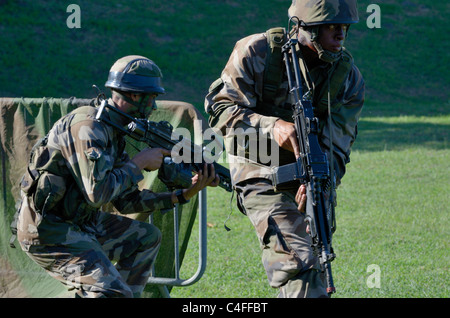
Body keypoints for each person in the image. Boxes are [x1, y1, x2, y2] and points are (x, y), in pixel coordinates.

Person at [15, 55, 219, 298]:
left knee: (146, 237)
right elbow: (97, 194)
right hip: (48, 231)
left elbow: (127, 202)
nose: (154, 106)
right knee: (110, 291)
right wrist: (139, 162)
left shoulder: (112, 130)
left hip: (81, 222)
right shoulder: (89, 127)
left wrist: (183, 195)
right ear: (134, 95)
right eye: (152, 97)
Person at [205, 0, 364, 297]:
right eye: (331, 26)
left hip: (312, 182)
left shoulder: (347, 78)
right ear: (305, 27)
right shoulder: (258, 52)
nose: (340, 34)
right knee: (298, 262)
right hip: (259, 168)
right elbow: (219, 109)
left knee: (316, 261)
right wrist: (272, 126)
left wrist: (323, 180)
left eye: (344, 27)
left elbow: (339, 145)